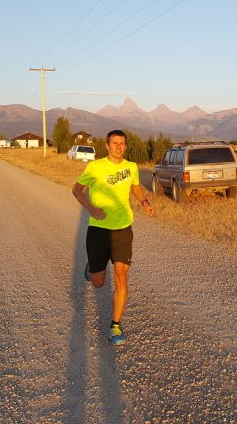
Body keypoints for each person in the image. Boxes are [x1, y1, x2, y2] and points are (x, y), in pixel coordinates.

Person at [72, 129, 155, 346]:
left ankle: (115, 326)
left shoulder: (131, 167)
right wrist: (92, 209)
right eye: (115, 143)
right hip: (99, 230)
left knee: (121, 277)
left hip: (123, 228)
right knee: (99, 282)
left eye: (122, 143)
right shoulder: (95, 167)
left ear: (125, 146)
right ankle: (92, 269)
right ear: (107, 146)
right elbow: (76, 190)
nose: (119, 147)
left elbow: (135, 188)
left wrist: (144, 203)